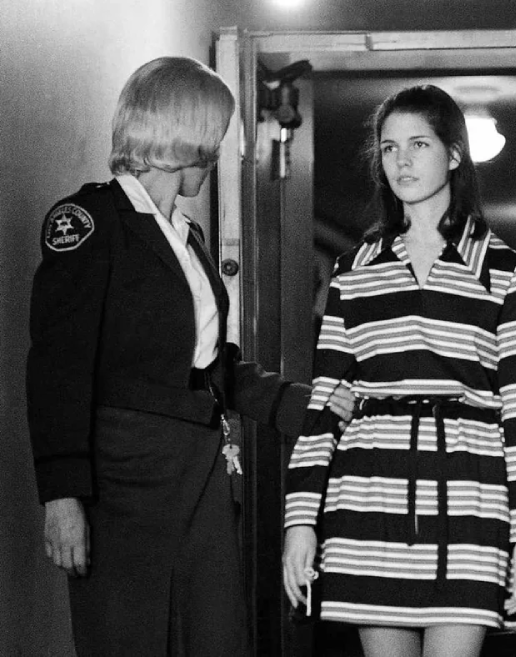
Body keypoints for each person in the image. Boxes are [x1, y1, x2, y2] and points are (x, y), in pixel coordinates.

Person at [27, 56, 353, 656]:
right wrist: (62, 496)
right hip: (120, 480)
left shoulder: (186, 236)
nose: (219, 151)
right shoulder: (90, 222)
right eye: (215, 137)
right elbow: (56, 370)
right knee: (127, 640)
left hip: (199, 469)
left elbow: (210, 367)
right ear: (187, 136)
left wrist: (304, 406)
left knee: (216, 640)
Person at [282, 84, 516, 657]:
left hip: (471, 501)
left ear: (454, 154)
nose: (401, 161)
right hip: (369, 496)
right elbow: (325, 404)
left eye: (419, 144)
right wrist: (300, 520)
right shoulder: (355, 269)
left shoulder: (502, 269)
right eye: (389, 148)